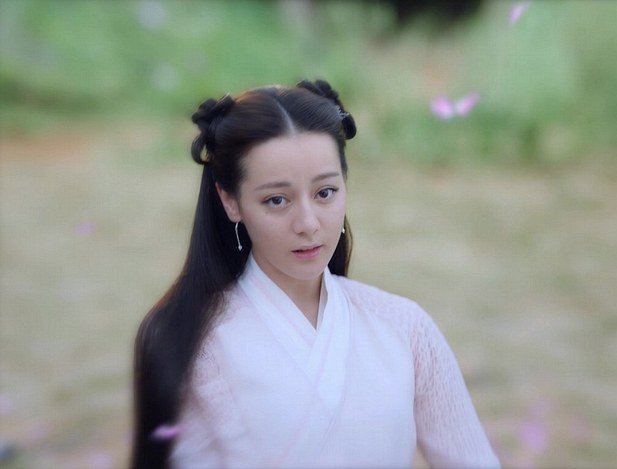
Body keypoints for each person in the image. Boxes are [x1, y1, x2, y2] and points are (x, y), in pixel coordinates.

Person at [131, 79, 500, 468]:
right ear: (230, 201)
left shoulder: (405, 329)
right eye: (277, 200)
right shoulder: (193, 341)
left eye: (325, 193)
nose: (308, 224)